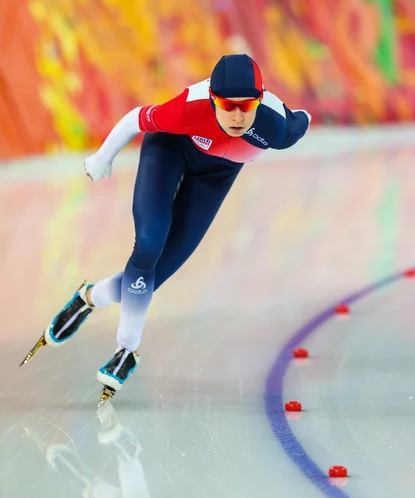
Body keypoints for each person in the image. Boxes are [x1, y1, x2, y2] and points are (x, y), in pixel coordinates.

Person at [20, 54, 311, 405]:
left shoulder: (277, 128)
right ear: (213, 99)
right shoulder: (189, 108)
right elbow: (134, 120)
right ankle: (127, 350)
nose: (237, 116)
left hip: (216, 177)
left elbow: (302, 120)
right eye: (227, 105)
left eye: (246, 106)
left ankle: (89, 298)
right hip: (169, 150)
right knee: (148, 242)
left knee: (152, 279)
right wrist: (102, 158)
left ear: (260, 100)